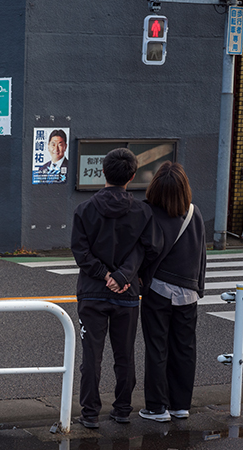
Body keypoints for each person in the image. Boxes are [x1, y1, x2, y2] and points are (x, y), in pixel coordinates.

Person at [71, 147, 161, 429]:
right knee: (124, 354)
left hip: (92, 292)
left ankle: (89, 413)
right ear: (132, 176)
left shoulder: (84, 209)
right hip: (128, 293)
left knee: (91, 356)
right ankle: (122, 409)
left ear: (103, 173)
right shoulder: (142, 210)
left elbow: (80, 252)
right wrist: (122, 276)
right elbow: (148, 248)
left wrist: (103, 274)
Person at [139, 162, 206, 423]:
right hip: (189, 290)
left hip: (158, 288)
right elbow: (201, 255)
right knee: (185, 347)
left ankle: (157, 407)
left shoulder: (148, 212)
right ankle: (180, 405)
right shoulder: (194, 212)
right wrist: (198, 286)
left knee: (157, 347)